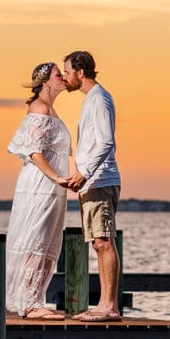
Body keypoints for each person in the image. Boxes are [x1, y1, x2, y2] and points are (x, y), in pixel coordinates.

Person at [4, 61, 73, 319]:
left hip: (53, 187)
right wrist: (58, 177)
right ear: (46, 82)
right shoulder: (39, 109)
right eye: (59, 75)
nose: (63, 78)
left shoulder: (50, 110)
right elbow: (35, 153)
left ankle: (35, 299)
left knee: (47, 241)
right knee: (36, 238)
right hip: (41, 186)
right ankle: (31, 304)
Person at [62, 50, 122, 321]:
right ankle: (103, 305)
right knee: (98, 243)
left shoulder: (99, 99)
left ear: (80, 72)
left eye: (67, 72)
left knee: (104, 241)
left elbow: (106, 141)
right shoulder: (91, 100)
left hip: (99, 180)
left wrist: (84, 172)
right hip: (92, 182)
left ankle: (109, 307)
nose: (65, 77)